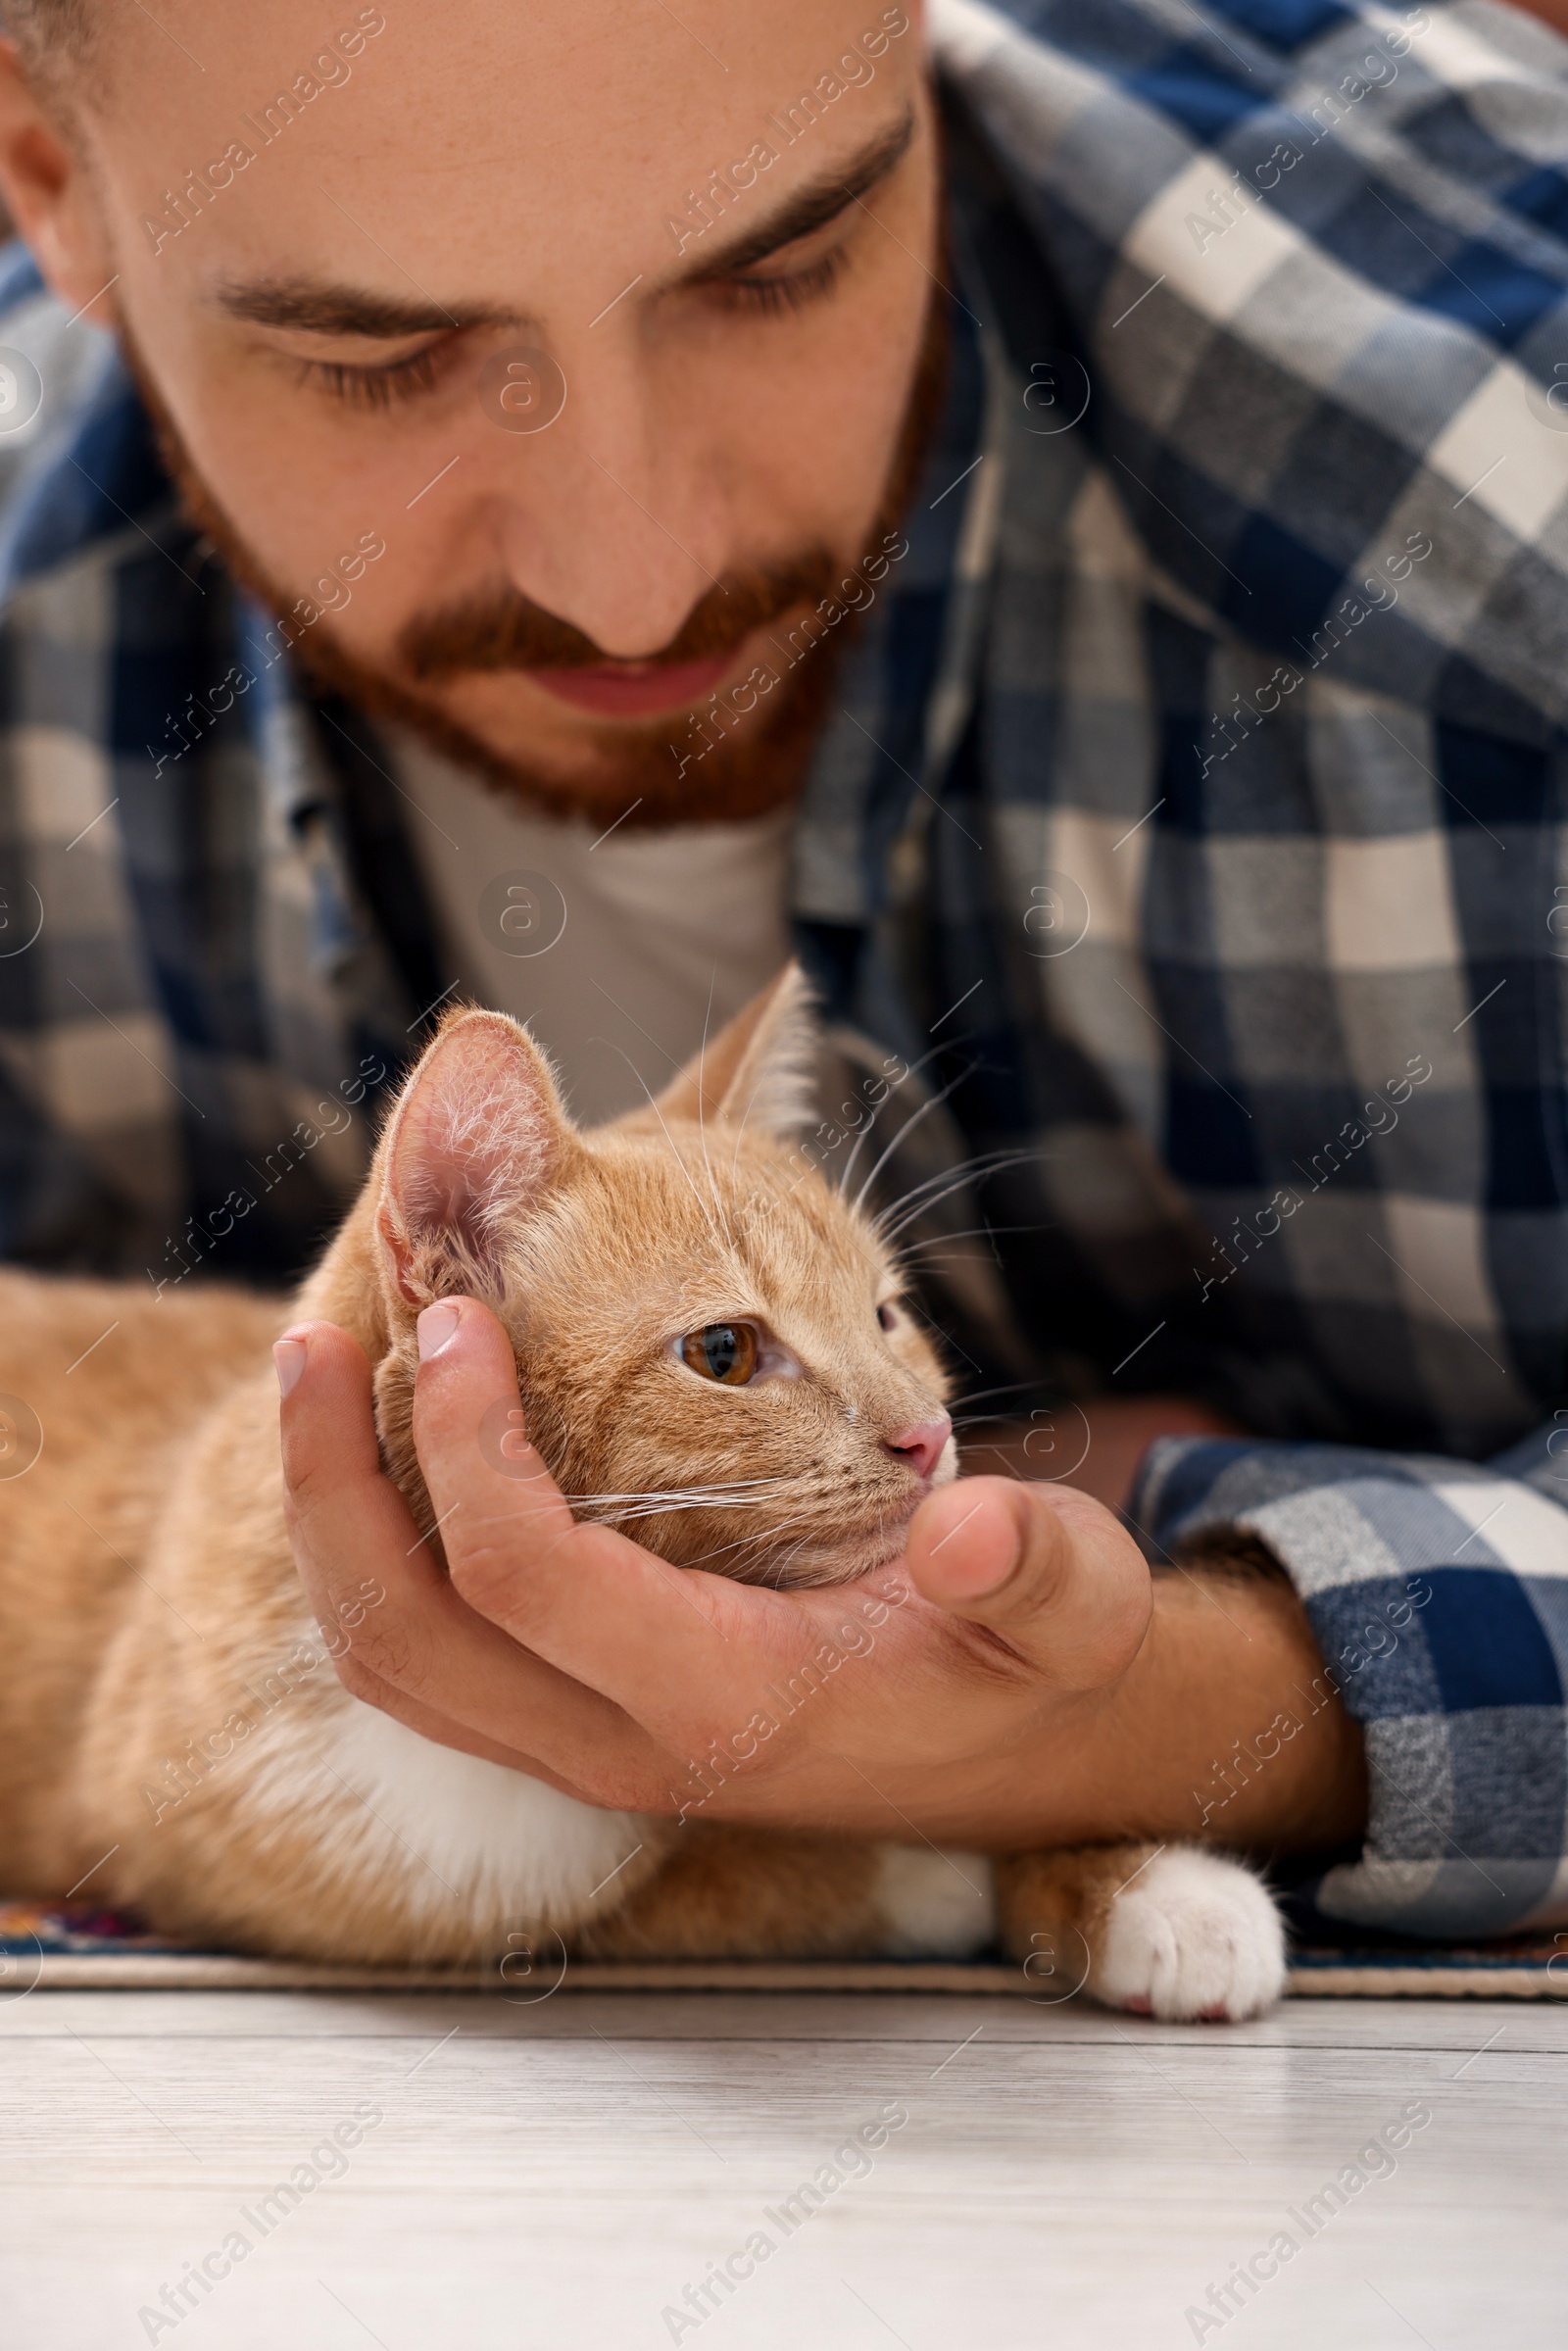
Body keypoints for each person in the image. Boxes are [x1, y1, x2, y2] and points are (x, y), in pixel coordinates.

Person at [0, 0, 1564, 1944]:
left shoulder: (1510, 484)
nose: (630, 581)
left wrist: (1205, 1700)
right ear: (46, 179)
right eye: (373, 359)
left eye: (781, 266)